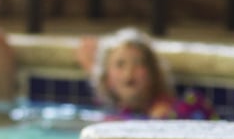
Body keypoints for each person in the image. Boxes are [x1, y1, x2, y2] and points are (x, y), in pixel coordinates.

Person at [76, 27, 215, 120]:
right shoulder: (114, 114)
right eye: (120, 64)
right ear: (108, 79)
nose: (129, 72)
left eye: (138, 63)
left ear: (153, 74)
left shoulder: (176, 108)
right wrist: (91, 68)